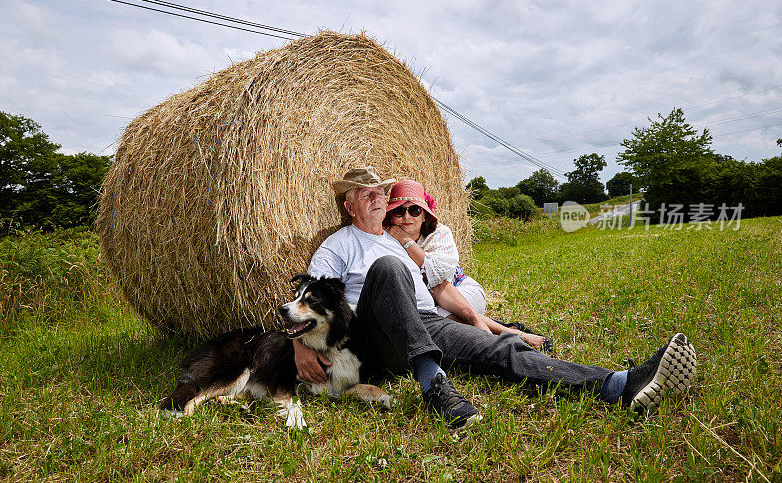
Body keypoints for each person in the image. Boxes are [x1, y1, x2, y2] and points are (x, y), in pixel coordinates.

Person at [295, 167, 697, 430]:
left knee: (505, 350)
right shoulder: (340, 244)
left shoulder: (402, 240)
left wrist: (486, 324)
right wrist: (298, 343)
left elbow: (442, 291)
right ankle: (434, 385)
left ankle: (619, 386)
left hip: (428, 323)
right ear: (349, 207)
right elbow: (306, 299)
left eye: (379, 191)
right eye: (364, 194)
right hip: (378, 338)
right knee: (387, 269)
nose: (377, 197)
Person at [384, 179, 551, 352]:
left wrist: (405, 240)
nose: (406, 217)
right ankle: (508, 332)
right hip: (432, 304)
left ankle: (513, 335)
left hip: (459, 291)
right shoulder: (384, 238)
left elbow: (435, 273)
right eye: (398, 211)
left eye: (414, 210)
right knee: (432, 316)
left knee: (438, 317)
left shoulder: (439, 233)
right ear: (390, 215)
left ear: (425, 214)